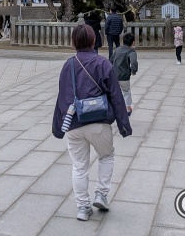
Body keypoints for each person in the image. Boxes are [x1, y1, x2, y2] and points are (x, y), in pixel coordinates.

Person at [52, 24, 132, 222]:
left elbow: (62, 96)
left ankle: (82, 207)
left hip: (74, 123)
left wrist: (58, 126)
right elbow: (116, 95)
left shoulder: (68, 65)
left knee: (79, 166)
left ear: (73, 42)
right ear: (94, 40)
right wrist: (123, 124)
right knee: (106, 155)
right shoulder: (103, 63)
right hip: (99, 121)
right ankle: (101, 195)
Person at [112, 33, 138, 116]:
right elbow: (134, 62)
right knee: (126, 92)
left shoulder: (117, 50)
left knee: (115, 92)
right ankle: (128, 108)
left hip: (114, 74)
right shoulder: (131, 51)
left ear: (122, 41)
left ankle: (114, 108)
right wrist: (133, 70)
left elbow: (111, 60)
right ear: (133, 42)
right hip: (124, 76)